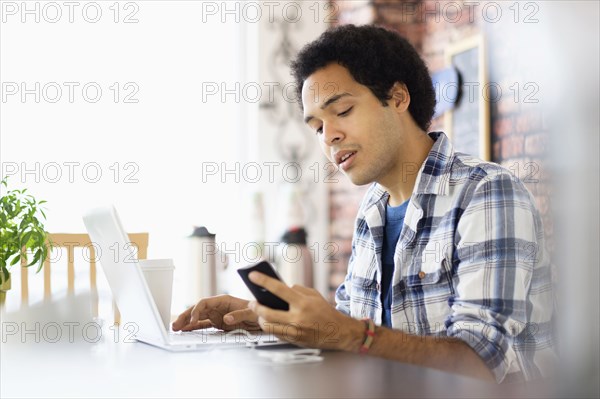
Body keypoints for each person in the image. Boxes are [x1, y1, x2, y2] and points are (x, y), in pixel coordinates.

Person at [173, 24, 555, 383]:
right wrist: (257, 315)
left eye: (342, 111)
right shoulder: (373, 208)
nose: (330, 137)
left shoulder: (486, 194)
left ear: (398, 97)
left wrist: (353, 334)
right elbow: (348, 323)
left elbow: (481, 363)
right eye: (318, 127)